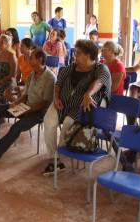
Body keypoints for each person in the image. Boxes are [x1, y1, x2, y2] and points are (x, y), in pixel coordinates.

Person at [41, 39, 111, 175]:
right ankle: (53, 158)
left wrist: (88, 94)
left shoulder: (101, 68)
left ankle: (60, 157)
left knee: (68, 123)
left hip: (81, 108)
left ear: (88, 55)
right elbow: (58, 83)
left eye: (78, 53)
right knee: (49, 121)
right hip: (62, 102)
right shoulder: (70, 68)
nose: (75, 55)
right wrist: (55, 98)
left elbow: (99, 81)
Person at [0, 48, 55, 168]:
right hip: (26, 107)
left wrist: (26, 109)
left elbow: (44, 104)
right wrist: (17, 103)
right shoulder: (32, 74)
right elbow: (26, 95)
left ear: (40, 60)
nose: (28, 59)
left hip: (38, 113)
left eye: (32, 57)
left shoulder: (50, 78)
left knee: (16, 127)